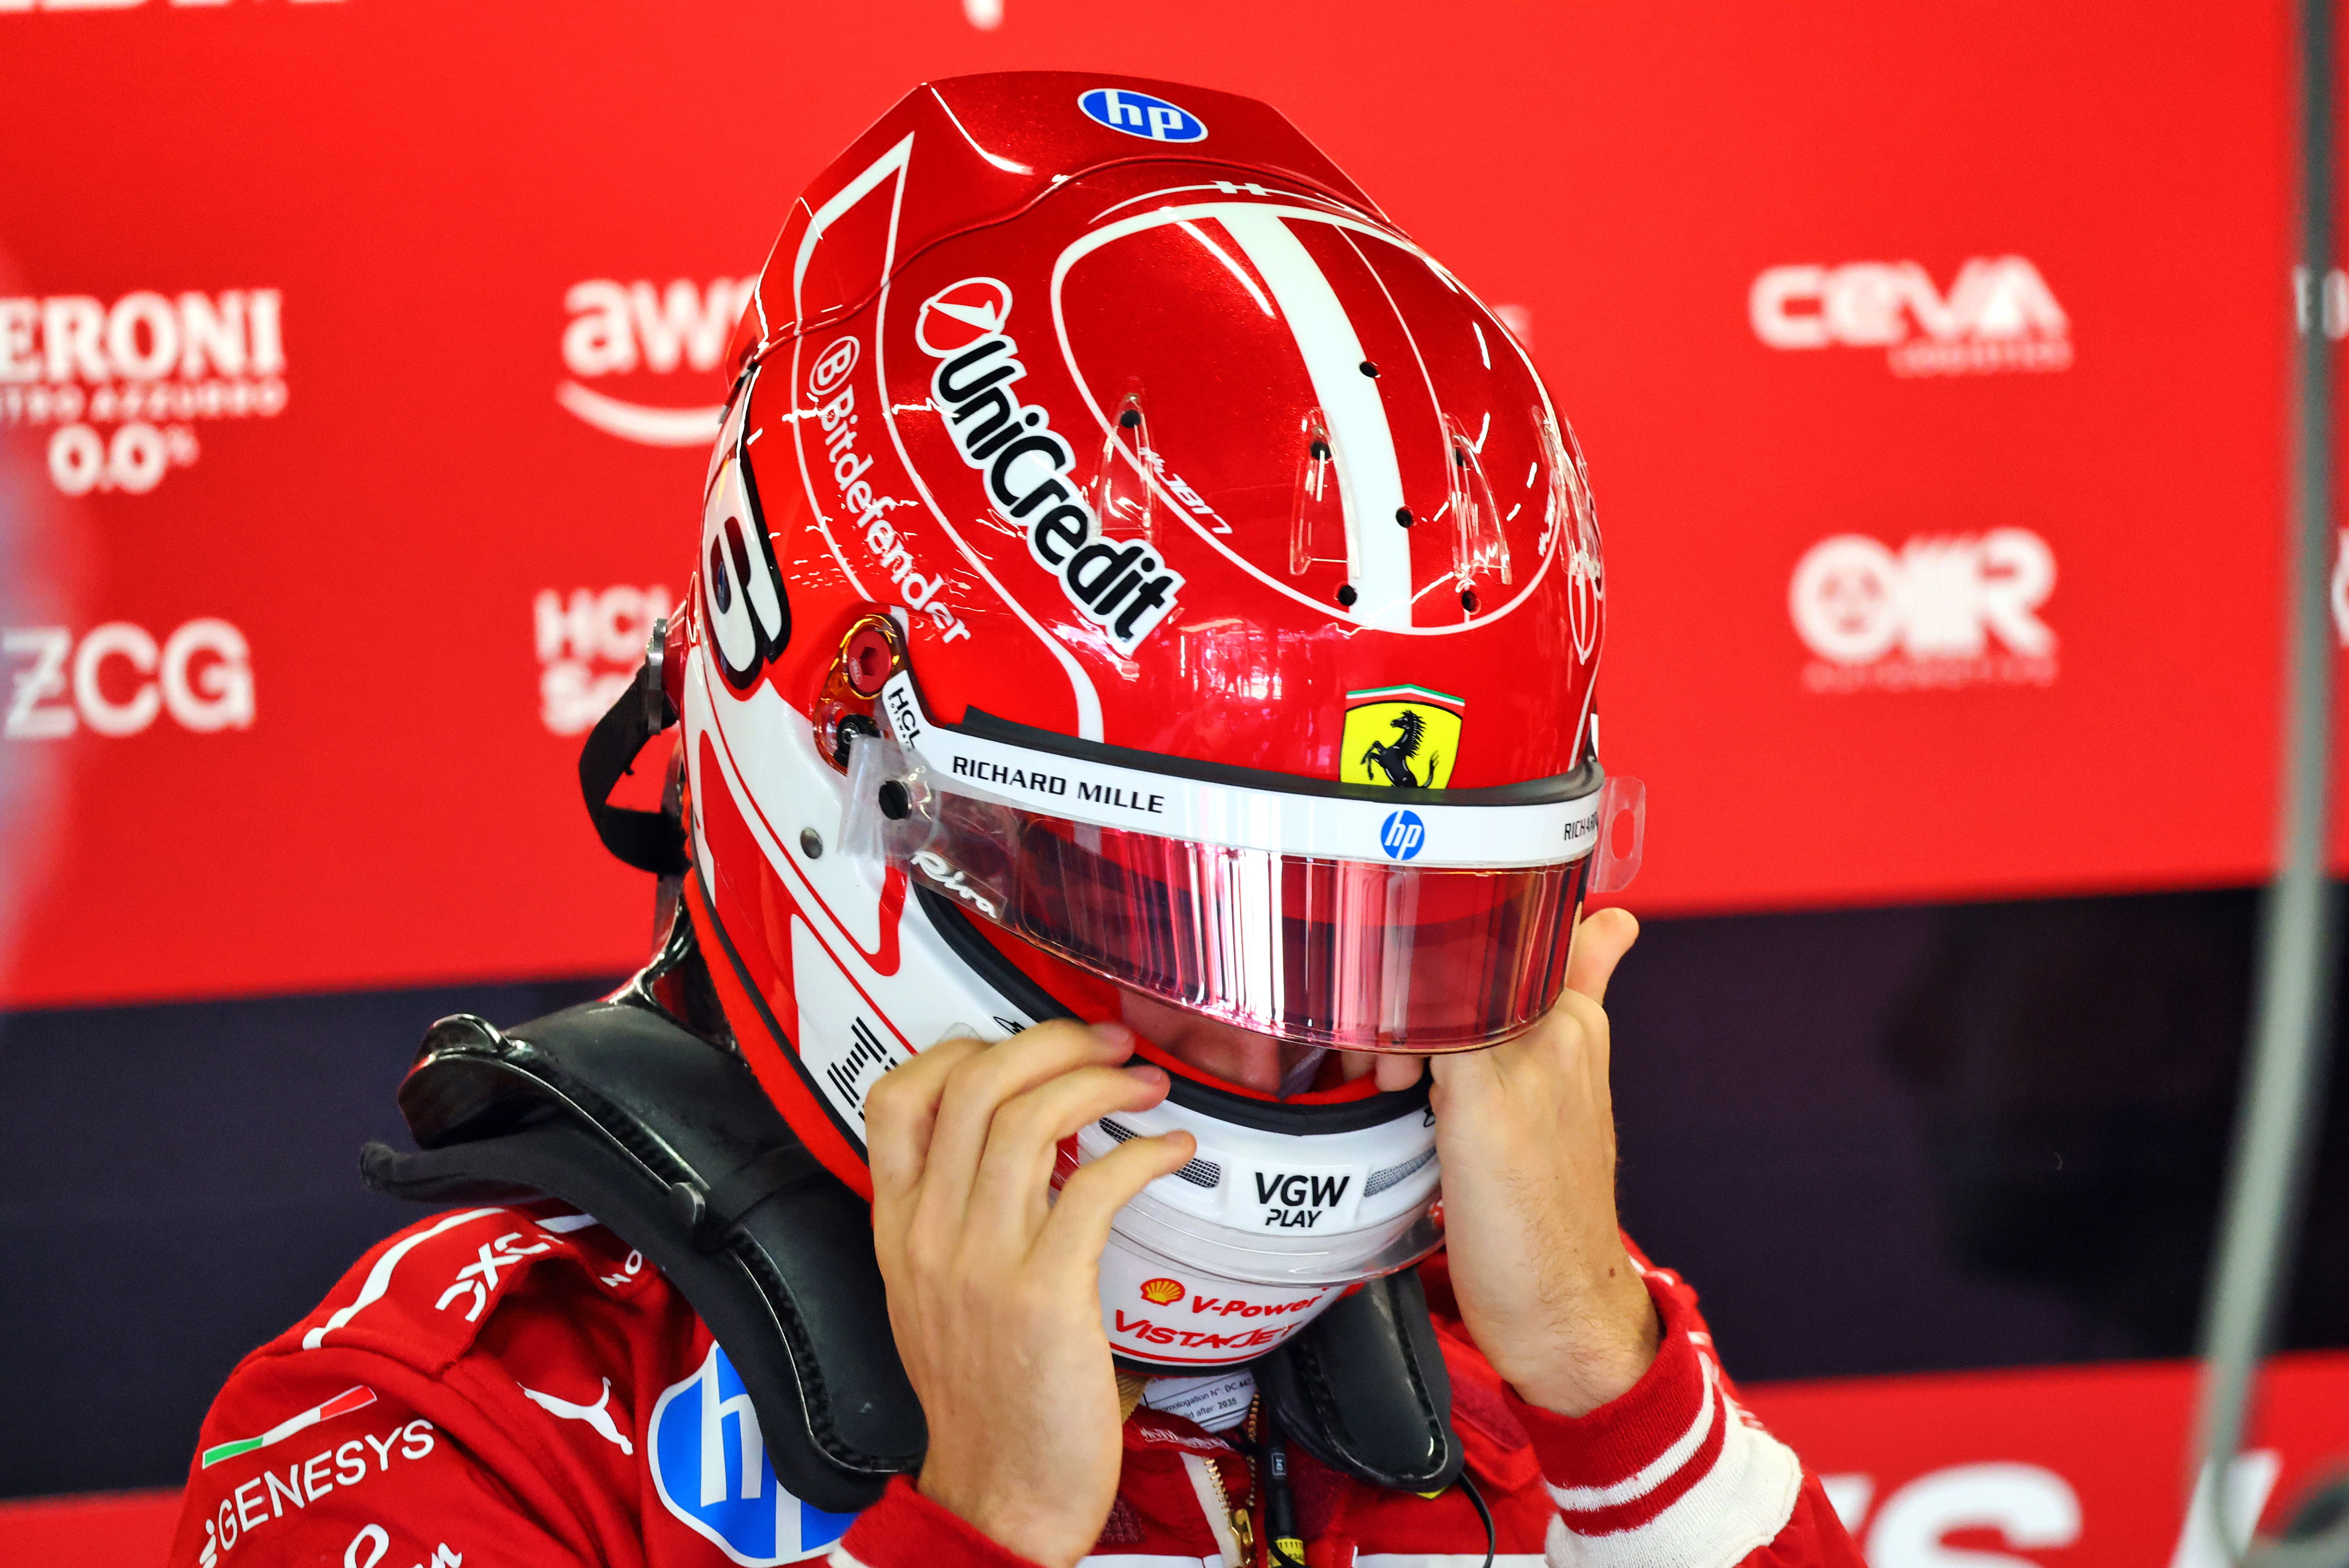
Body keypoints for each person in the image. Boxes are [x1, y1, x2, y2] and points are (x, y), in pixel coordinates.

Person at [173, 72, 1859, 1568]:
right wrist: (970, 1533)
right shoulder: (439, 1435)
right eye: (1184, 924)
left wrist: (1614, 1398)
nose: (1299, 1041)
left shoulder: (1528, 1343)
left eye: (1396, 938)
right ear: (844, 782)